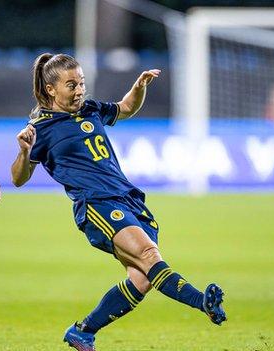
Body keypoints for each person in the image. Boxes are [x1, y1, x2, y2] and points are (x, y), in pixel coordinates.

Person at [11, 53, 226, 351]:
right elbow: (18, 178)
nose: (79, 90)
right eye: (71, 85)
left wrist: (139, 86)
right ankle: (203, 302)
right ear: (51, 89)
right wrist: (23, 152)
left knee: (141, 278)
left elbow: (125, 108)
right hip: (96, 205)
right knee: (150, 256)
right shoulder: (40, 129)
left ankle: (82, 332)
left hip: (129, 199)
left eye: (81, 83)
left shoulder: (90, 109)